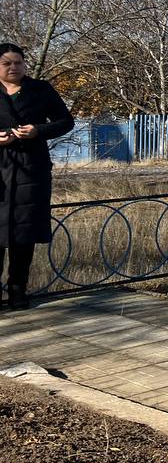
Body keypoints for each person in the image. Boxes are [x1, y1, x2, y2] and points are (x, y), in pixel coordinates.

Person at [0, 44, 74, 310]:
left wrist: (38, 130)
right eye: (7, 63)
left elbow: (66, 121)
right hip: (1, 169)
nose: (13, 67)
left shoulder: (40, 89)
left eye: (18, 62)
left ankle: (18, 291)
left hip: (31, 170)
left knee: (24, 234)